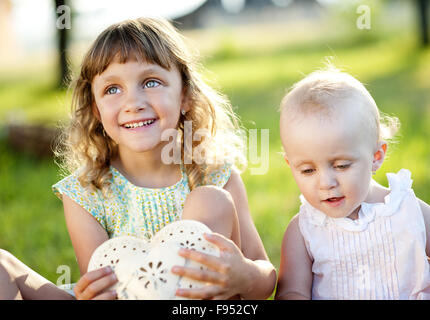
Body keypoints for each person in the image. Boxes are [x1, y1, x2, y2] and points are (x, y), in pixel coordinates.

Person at [0, 17, 276, 300]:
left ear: (185, 96)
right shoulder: (86, 192)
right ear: (96, 109)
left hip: (194, 301)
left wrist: (246, 275)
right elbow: (100, 283)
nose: (133, 103)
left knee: (210, 200)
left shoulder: (217, 176)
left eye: (151, 82)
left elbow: (264, 274)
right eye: (113, 89)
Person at [275, 66, 430, 300]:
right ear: (291, 166)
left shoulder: (408, 210)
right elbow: (291, 292)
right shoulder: (304, 231)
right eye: (308, 170)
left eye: (341, 166)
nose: (326, 182)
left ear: (376, 156)